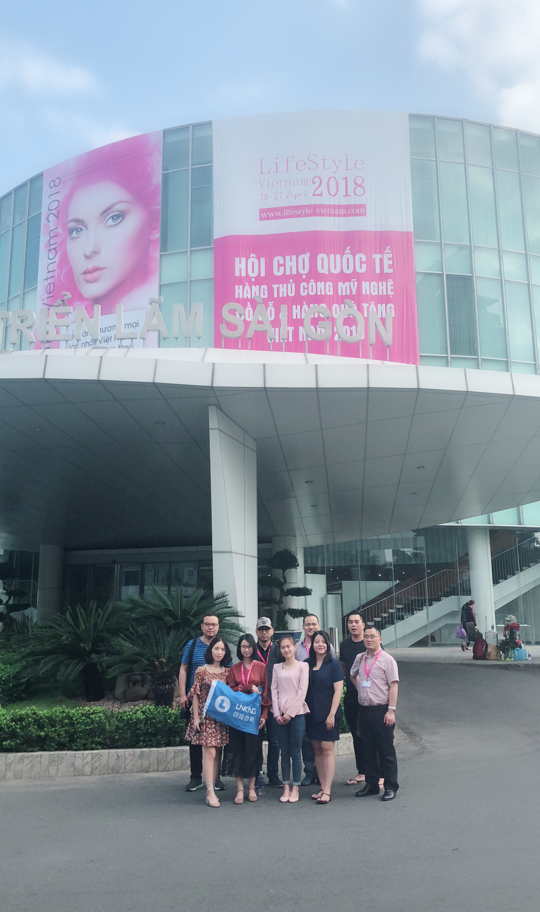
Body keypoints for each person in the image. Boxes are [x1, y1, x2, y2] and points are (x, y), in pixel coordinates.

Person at [52, 133, 162, 319]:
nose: (89, 249)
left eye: (114, 218)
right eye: (77, 230)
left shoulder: (162, 321)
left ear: (153, 223)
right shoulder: (61, 330)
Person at [350, 624, 400, 802]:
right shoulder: (360, 658)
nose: (368, 639)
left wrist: (391, 710)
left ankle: (390, 786)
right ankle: (371, 785)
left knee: (386, 751)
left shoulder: (387, 660)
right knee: (368, 750)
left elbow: (394, 685)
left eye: (372, 636)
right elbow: (352, 675)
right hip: (364, 710)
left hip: (382, 710)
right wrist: (361, 690)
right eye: (366, 637)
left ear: (380, 639)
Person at [179, 615, 228, 792]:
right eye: (207, 624)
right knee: (195, 739)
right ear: (202, 626)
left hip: (217, 706)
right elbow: (184, 668)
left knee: (217, 742)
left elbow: (229, 671)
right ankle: (195, 777)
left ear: (218, 626)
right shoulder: (192, 645)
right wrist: (182, 694)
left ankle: (216, 777)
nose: (210, 627)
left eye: (214, 624)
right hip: (196, 701)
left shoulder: (222, 646)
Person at [221, 634, 271, 804]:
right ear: (239, 649)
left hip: (254, 716)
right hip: (237, 716)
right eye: (243, 646)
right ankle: (239, 789)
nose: (246, 650)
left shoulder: (261, 667)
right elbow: (230, 690)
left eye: (249, 646)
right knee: (237, 751)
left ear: (253, 648)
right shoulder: (234, 668)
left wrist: (264, 715)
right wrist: (248, 687)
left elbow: (265, 692)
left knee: (253, 751)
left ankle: (251, 788)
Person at [186, 635, 232, 809]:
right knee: (210, 753)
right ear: (210, 650)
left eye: (222, 649)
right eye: (216, 648)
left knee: (217, 753)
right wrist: (196, 717)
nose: (219, 652)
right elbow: (195, 694)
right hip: (205, 717)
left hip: (220, 719)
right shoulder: (201, 670)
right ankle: (210, 791)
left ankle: (212, 784)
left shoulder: (227, 672)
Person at [295, 613, 335, 787]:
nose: (311, 627)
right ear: (303, 627)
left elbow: (333, 672)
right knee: (307, 741)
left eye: (314, 624)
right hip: (305, 701)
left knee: (323, 745)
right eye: (308, 624)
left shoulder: (328, 647)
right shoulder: (297, 648)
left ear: (318, 626)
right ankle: (310, 772)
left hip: (323, 702)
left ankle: (323, 778)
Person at [305, 631, 344, 804]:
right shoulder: (306, 664)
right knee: (317, 749)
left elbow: (338, 691)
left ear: (328, 644)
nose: (320, 644)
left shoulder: (333, 664)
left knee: (327, 749)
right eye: (316, 641)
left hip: (328, 713)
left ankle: (327, 790)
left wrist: (332, 714)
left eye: (323, 641)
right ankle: (322, 787)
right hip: (311, 713)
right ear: (312, 644)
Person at [271, 634, 309, 804]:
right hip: (279, 714)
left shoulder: (302, 666)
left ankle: (296, 787)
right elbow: (274, 691)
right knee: (284, 752)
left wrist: (290, 713)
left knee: (295, 751)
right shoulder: (276, 667)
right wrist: (277, 713)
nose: (286, 649)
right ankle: (286, 786)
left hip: (297, 713)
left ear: (295, 647)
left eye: (288, 646)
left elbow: (302, 691)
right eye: (283, 647)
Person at [339, 610, 368, 786]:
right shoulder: (344, 645)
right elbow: (344, 669)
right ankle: (362, 771)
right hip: (351, 696)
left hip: (370, 698)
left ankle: (377, 772)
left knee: (371, 734)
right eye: (350, 622)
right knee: (356, 735)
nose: (353, 625)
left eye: (357, 622)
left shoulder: (369, 643)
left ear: (363, 625)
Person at [254, 616, 282, 787]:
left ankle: (273, 774)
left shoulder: (278, 650)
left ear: (272, 631)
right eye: (261, 629)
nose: (264, 632)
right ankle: (257, 773)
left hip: (275, 700)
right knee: (256, 740)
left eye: (267, 629)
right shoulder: (251, 650)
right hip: (255, 701)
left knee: (275, 740)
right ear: (256, 632)